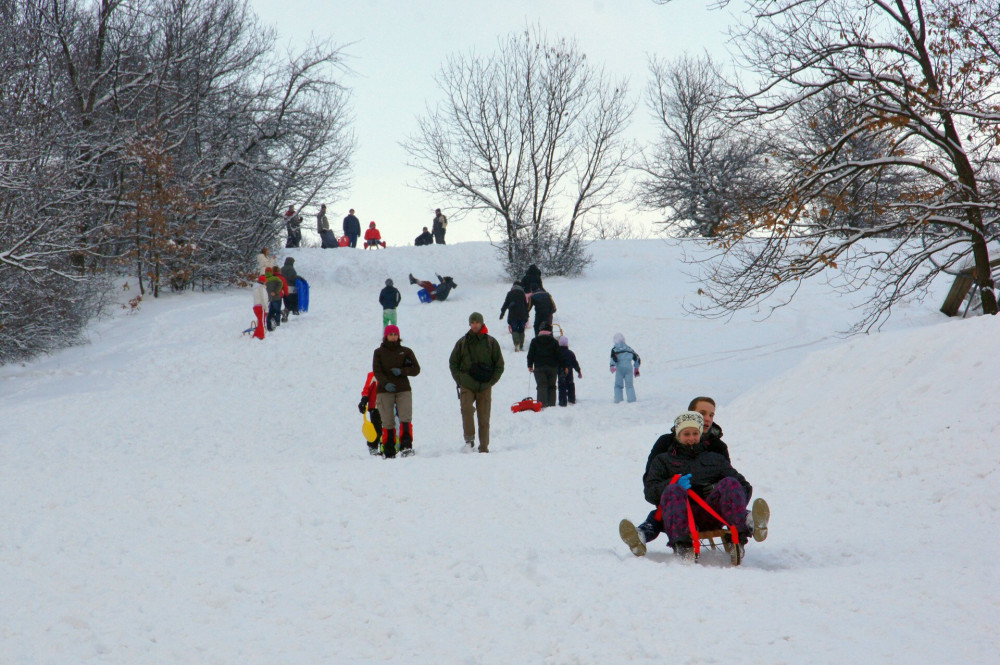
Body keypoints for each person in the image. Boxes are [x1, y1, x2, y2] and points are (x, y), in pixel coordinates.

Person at [634, 411, 768, 560]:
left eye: (695, 433)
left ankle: (738, 536)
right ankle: (683, 546)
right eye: (686, 434)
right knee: (672, 490)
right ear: (678, 435)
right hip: (677, 515)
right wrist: (672, 483)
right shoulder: (663, 461)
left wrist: (719, 490)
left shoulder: (714, 459)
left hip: (710, 513)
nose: (691, 438)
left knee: (730, 483)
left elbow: (743, 486)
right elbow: (650, 492)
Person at [620, 396, 732, 555]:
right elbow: (651, 481)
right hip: (675, 503)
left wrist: (713, 488)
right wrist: (671, 489)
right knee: (661, 514)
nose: (707, 418)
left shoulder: (717, 447)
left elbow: (730, 481)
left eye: (711, 415)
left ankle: (747, 522)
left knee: (732, 503)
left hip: (709, 506)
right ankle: (642, 534)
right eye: (702, 413)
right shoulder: (666, 443)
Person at [449, 312, 504, 453]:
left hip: (485, 385)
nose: (475, 325)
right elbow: (453, 362)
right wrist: (460, 379)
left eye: (477, 322)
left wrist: (492, 381)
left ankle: (484, 447)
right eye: (472, 322)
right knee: (466, 410)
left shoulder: (491, 342)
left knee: (484, 417)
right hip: (467, 384)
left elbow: (499, 365)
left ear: (482, 323)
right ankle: (469, 440)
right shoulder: (462, 342)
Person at [372, 324, 421, 458]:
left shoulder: (406, 351)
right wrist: (385, 383)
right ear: (386, 336)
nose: (393, 337)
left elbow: (416, 369)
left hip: (403, 389)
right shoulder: (379, 352)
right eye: (391, 334)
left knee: (405, 418)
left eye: (395, 334)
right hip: (384, 390)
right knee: (387, 421)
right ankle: (388, 449)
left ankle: (406, 446)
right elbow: (377, 371)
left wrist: (403, 371)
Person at [526, 324, 560, 407]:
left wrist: (530, 365)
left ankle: (542, 405)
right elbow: (558, 355)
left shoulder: (534, 341)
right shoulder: (554, 341)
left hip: (539, 367)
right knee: (552, 386)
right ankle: (552, 405)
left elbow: (530, 354)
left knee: (541, 385)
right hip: (552, 367)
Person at [610, 332, 640, 403]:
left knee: (618, 385)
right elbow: (637, 358)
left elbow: (613, 359)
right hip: (629, 368)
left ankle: (618, 399)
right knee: (629, 385)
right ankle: (631, 399)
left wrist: (612, 366)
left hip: (619, 369)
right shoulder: (629, 349)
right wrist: (636, 369)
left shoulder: (614, 349)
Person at [499, 280, 529, 352]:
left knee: (514, 329)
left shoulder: (510, 293)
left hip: (513, 315)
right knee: (521, 330)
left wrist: (502, 313)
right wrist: (527, 315)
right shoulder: (522, 294)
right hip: (522, 315)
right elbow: (526, 305)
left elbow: (506, 304)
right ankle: (521, 345)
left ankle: (516, 343)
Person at [358, 371, 382, 456]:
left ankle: (384, 447)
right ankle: (373, 447)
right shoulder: (373, 375)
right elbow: (366, 389)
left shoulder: (389, 373)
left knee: (387, 428)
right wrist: (364, 400)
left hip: (387, 407)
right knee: (376, 429)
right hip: (375, 407)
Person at [556, 336, 582, 406]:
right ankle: (571, 398)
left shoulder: (557, 353)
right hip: (570, 372)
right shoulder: (570, 353)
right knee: (570, 384)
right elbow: (575, 363)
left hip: (561, 371)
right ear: (567, 344)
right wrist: (579, 371)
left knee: (562, 386)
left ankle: (562, 401)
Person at [251, 275, 267, 340]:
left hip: (255, 306)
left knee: (260, 321)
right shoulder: (261, 288)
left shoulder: (255, 288)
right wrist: (266, 307)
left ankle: (257, 334)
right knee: (262, 321)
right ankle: (260, 335)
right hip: (261, 306)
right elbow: (263, 298)